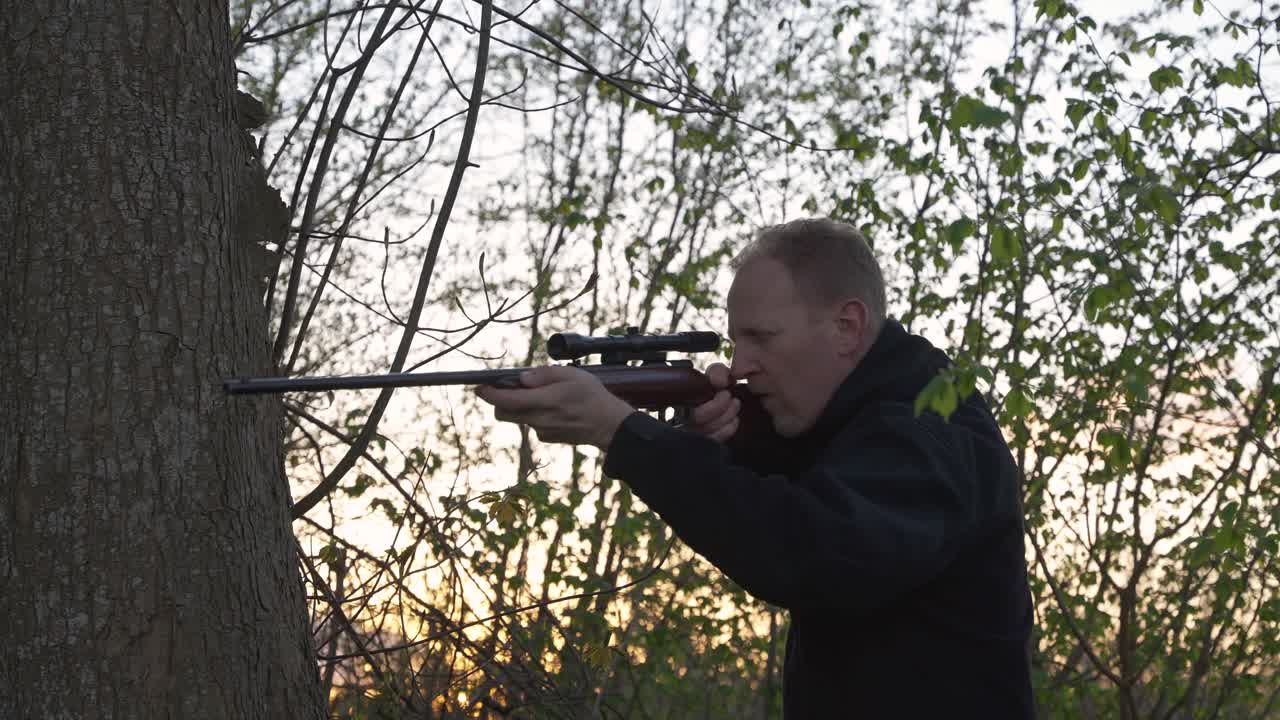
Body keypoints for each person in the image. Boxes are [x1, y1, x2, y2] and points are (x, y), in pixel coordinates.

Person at [474, 218, 1035, 718]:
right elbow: (822, 488)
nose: (739, 364)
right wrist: (734, 442)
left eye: (762, 338)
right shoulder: (873, 418)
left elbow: (814, 551)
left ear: (847, 327)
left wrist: (624, 436)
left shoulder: (928, 428)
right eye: (737, 339)